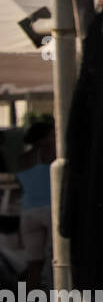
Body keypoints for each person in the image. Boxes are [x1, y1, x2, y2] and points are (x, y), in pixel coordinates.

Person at [15, 118, 55, 287]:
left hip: (28, 212)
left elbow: (21, 186)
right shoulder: (50, 153)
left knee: (34, 264)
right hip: (50, 209)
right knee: (57, 259)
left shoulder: (22, 159)